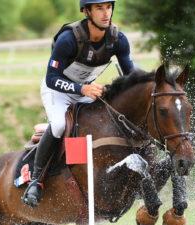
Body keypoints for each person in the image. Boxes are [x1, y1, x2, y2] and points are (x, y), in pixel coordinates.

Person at [22, 0, 135, 207]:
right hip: (58, 91)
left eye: (108, 7)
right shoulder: (68, 39)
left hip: (86, 91)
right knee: (59, 125)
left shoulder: (118, 39)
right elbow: (51, 78)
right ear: (87, 11)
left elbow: (132, 76)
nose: (106, 13)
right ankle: (36, 181)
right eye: (99, 8)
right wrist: (81, 89)